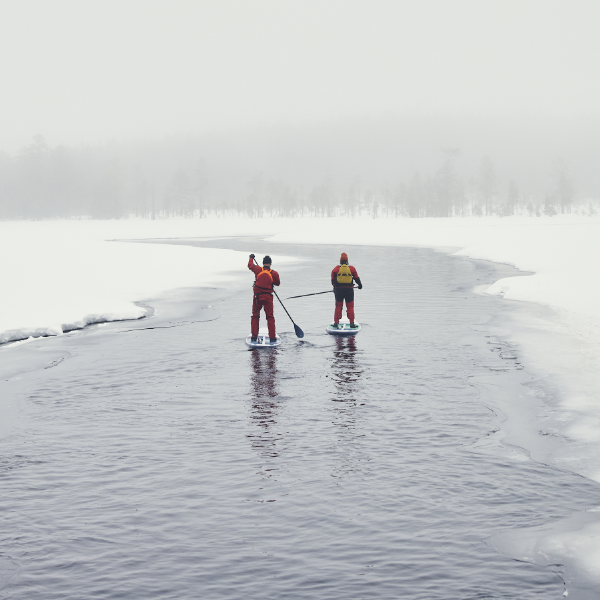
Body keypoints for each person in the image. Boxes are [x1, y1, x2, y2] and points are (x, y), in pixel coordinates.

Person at [248, 254, 280, 343]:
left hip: (257, 297)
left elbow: (250, 266)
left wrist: (251, 258)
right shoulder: (274, 273)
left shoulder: (258, 269)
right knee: (270, 317)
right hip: (268, 298)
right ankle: (272, 338)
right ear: (270, 263)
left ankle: (254, 337)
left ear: (263, 263)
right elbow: (278, 283)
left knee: (255, 316)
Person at [331, 252, 362, 328]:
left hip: (339, 291)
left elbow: (333, 280)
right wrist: (360, 285)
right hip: (349, 291)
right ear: (347, 260)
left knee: (338, 306)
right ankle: (352, 323)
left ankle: (336, 323)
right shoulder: (351, 268)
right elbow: (356, 278)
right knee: (350, 307)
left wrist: (334, 288)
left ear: (340, 261)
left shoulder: (336, 269)